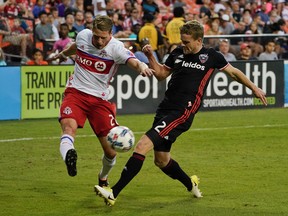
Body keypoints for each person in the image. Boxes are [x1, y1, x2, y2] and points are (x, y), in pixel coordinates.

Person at [95, 20, 268, 206]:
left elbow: (233, 73)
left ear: (199, 40)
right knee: (161, 160)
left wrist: (253, 87)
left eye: (187, 42)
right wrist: (150, 56)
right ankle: (191, 183)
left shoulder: (211, 56)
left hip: (183, 111)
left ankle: (113, 192)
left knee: (142, 145)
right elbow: (161, 75)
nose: (182, 45)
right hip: (165, 109)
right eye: (181, 41)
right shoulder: (177, 52)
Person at [49, 15, 154, 188]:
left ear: (110, 34)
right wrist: (62, 54)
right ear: (91, 31)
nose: (98, 41)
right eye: (95, 36)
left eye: (102, 37)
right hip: (75, 93)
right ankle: (70, 156)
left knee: (111, 151)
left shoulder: (116, 48)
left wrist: (142, 67)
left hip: (99, 100)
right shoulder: (83, 35)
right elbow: (76, 47)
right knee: (68, 127)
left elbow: (133, 62)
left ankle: (103, 177)